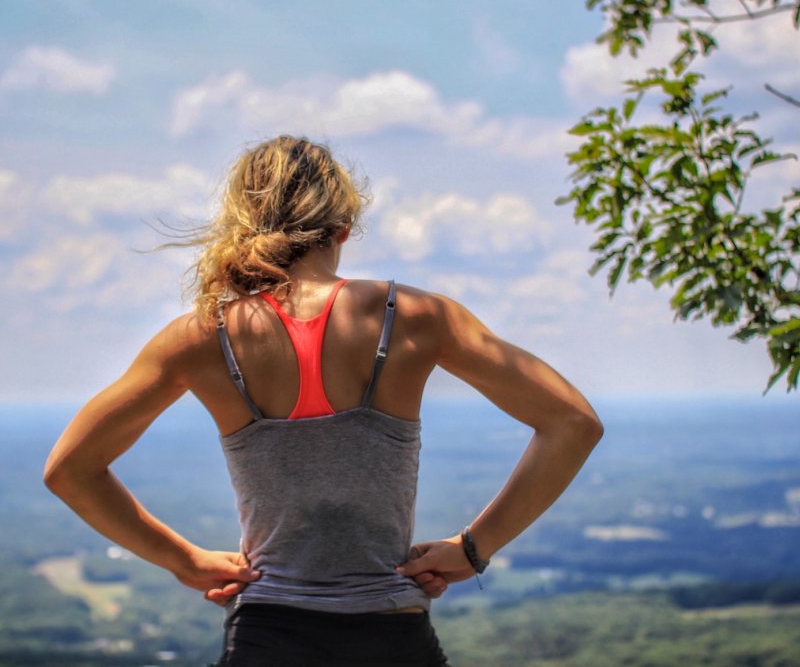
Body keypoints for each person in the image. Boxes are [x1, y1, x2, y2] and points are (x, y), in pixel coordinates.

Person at [44, 135, 603, 666]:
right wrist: (474, 548)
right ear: (343, 226)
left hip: (266, 636)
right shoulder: (412, 318)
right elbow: (572, 423)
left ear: (245, 224)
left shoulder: (200, 337)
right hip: (392, 636)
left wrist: (182, 560)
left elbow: (71, 469)